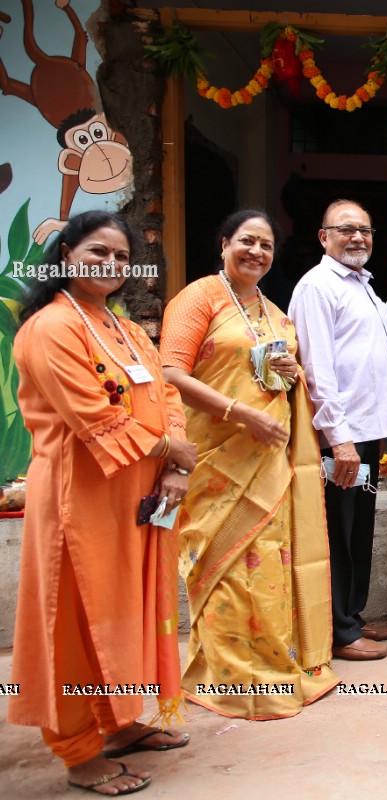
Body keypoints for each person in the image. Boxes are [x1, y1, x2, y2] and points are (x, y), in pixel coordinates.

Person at [8, 211, 195, 794]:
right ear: (65, 252)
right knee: (74, 619)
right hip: (77, 497)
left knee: (124, 611)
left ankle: (118, 723)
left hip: (137, 495)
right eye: (97, 253)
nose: (111, 265)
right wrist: (174, 449)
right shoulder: (50, 328)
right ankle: (76, 750)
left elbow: (163, 393)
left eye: (119, 256)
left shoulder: (121, 326)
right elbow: (94, 415)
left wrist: (173, 465)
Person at [160, 209, 339, 717]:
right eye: (246, 241)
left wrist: (291, 371)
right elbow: (169, 372)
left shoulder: (273, 311)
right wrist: (239, 413)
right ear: (223, 244)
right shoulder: (200, 297)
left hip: (267, 463)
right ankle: (228, 677)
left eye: (266, 245)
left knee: (268, 570)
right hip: (216, 463)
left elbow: (278, 381)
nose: (256, 252)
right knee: (227, 570)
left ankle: (270, 665)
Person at [290, 199, 387, 661]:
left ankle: (353, 616)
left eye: (365, 230)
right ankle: (338, 630)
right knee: (338, 530)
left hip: (367, 436)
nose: (358, 237)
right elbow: (316, 369)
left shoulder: (364, 286)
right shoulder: (318, 287)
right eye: (346, 230)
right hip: (342, 438)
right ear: (324, 237)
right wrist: (339, 437)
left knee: (360, 529)